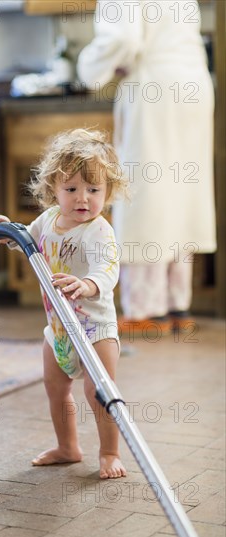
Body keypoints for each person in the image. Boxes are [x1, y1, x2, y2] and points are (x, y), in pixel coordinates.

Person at [0, 128, 128, 479]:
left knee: (99, 393)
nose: (83, 199)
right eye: (72, 189)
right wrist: (8, 230)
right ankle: (68, 446)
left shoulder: (99, 231)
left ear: (108, 191)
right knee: (55, 387)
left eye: (94, 190)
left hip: (96, 330)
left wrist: (86, 284)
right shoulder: (48, 220)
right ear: (53, 190)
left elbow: (108, 270)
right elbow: (26, 243)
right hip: (60, 329)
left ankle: (109, 452)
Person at [77, 0, 216, 336]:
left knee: (145, 193)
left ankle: (145, 309)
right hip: (193, 84)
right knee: (182, 192)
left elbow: (122, 38)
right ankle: (176, 304)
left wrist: (88, 69)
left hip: (154, 88)